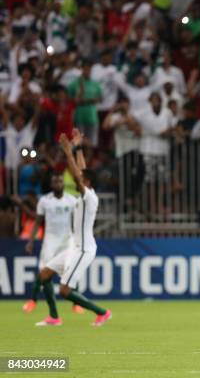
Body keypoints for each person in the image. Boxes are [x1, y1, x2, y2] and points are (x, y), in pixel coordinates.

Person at [35, 129, 112, 326]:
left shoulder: (89, 196)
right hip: (74, 248)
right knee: (44, 274)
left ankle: (102, 312)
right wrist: (77, 147)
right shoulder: (86, 194)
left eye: (81, 177)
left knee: (64, 290)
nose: (78, 174)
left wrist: (68, 152)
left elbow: (78, 175)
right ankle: (54, 317)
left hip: (84, 250)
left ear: (87, 182)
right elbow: (82, 170)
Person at [21, 173, 80, 315]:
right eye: (55, 181)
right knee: (43, 271)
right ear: (51, 184)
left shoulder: (72, 200)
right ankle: (33, 300)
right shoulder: (44, 201)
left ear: (63, 184)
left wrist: (79, 239)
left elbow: (77, 222)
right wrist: (30, 241)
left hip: (67, 240)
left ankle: (76, 304)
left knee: (71, 271)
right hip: (50, 240)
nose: (58, 183)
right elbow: (38, 222)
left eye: (60, 181)